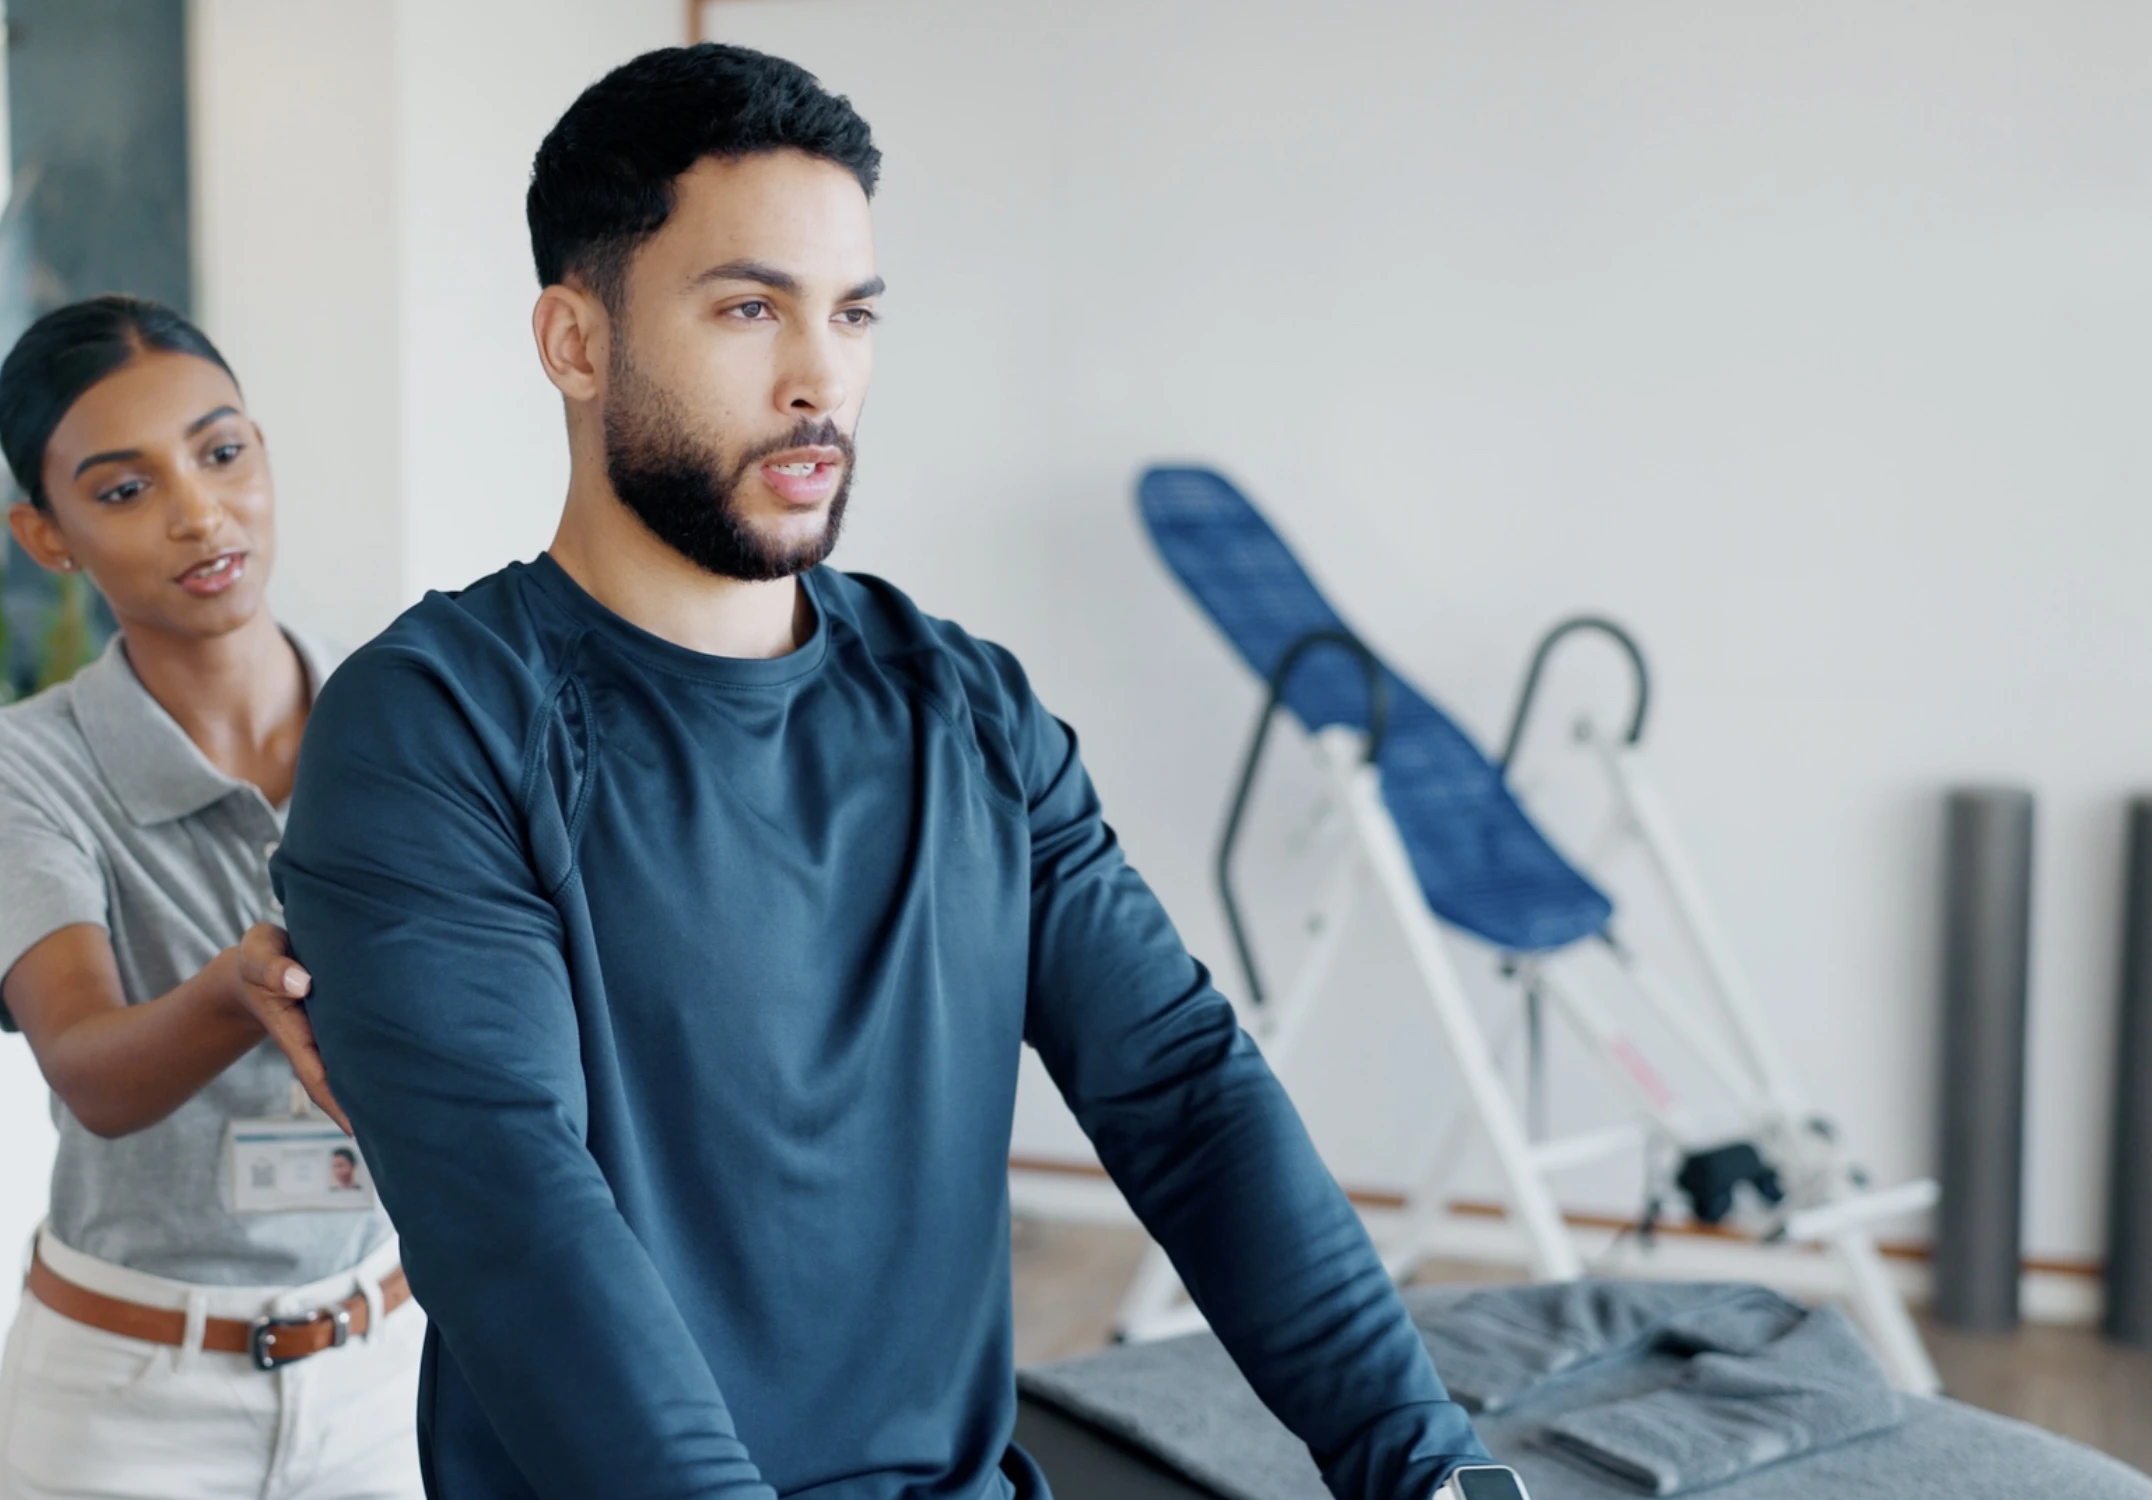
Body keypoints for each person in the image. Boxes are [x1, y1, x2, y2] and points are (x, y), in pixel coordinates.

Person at [267, 44, 1504, 1500]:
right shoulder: (435, 727)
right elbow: (520, 1219)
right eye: (749, 309)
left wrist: (1430, 1469)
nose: (819, 379)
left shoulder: (967, 710)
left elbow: (1184, 1095)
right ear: (576, 342)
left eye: (850, 314)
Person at [0, 295, 418, 1500]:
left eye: (220, 452)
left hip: (387, 1373)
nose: (199, 513)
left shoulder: (412, 713)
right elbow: (91, 1072)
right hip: (127, 1403)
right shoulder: (17, 762)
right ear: (47, 537)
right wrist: (233, 988)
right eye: (121, 489)